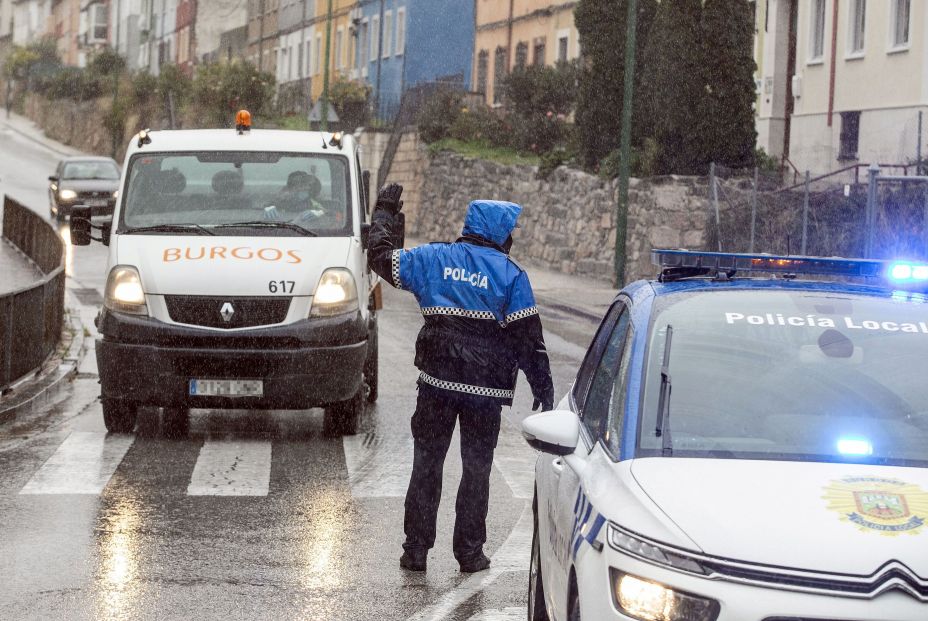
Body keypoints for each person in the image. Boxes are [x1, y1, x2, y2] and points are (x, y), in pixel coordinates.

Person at [368, 183, 555, 573]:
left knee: (427, 464)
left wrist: (384, 213)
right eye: (510, 231)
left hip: (436, 384)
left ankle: (415, 550)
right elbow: (528, 339)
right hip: (485, 396)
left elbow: (381, 257)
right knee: (476, 470)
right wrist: (542, 387)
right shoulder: (511, 275)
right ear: (500, 232)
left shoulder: (433, 258)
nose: (512, 238)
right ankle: (469, 553)